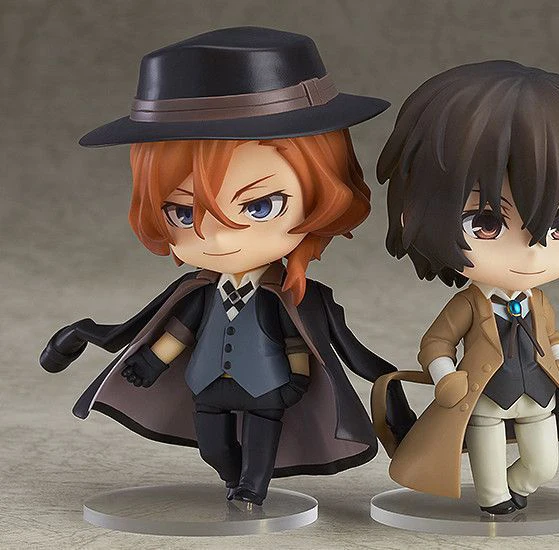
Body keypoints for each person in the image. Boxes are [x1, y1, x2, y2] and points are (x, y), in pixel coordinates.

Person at [40, 27, 415, 506]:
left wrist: (298, 380)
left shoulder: (293, 297)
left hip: (268, 391)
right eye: (183, 214)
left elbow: (304, 341)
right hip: (208, 386)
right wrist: (153, 361)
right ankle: (232, 478)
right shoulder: (199, 293)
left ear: (324, 195)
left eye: (259, 207)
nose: (216, 237)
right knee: (214, 448)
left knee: (260, 446)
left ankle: (252, 489)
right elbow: (180, 330)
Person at [371, 61, 559, 514]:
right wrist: (446, 377)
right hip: (484, 398)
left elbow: (552, 336)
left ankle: (517, 484)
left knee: (543, 464)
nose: (531, 252)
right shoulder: (468, 304)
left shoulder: (537, 300)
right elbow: (436, 343)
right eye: (486, 223)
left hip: (538, 394)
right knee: (488, 467)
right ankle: (493, 500)